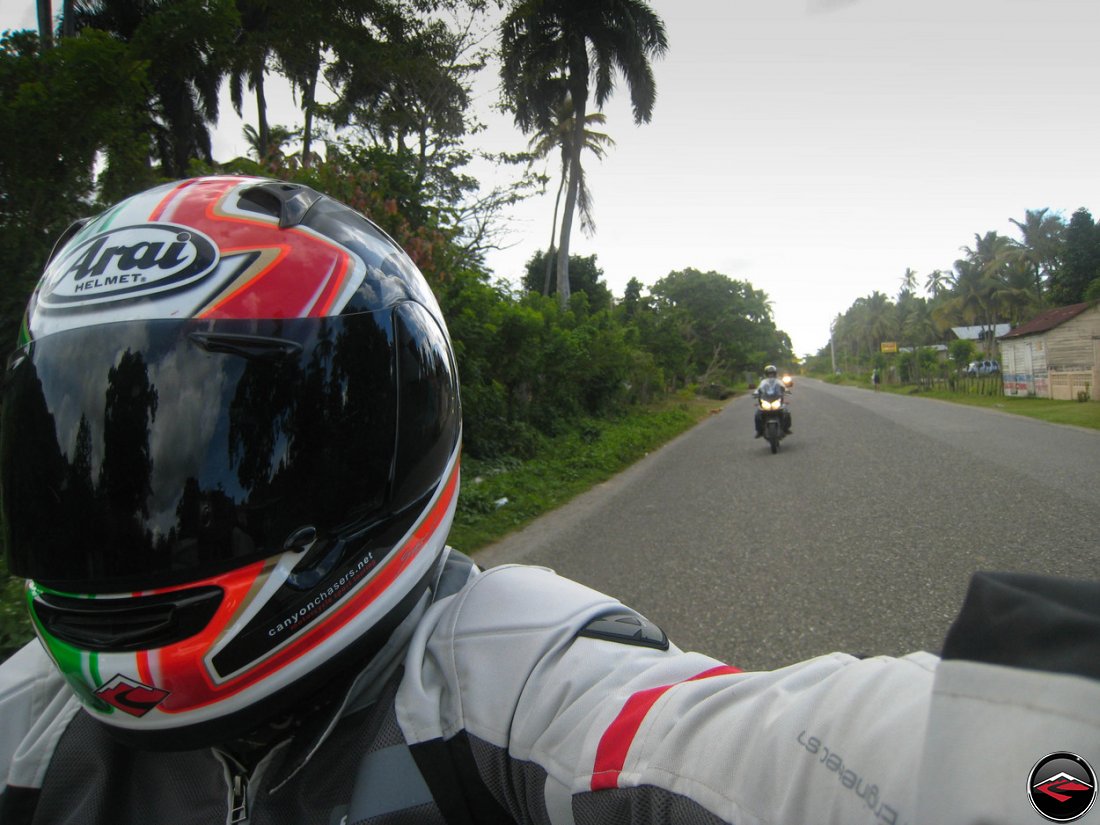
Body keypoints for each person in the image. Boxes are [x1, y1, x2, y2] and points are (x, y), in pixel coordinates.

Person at [1, 176, 1098, 825]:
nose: (141, 511)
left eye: (224, 456)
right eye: (86, 463)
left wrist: (1034, 733)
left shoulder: (495, 675)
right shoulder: (31, 713)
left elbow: (748, 739)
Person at [752, 364, 792, 437]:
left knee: (786, 413)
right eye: (769, 373)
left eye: (772, 373)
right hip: (766, 400)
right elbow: (759, 389)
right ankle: (759, 431)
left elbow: (784, 387)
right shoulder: (763, 382)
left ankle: (786, 428)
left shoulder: (778, 381)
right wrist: (756, 393)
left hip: (777, 400)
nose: (771, 375)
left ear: (775, 373)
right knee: (757, 415)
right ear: (766, 374)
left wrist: (786, 391)